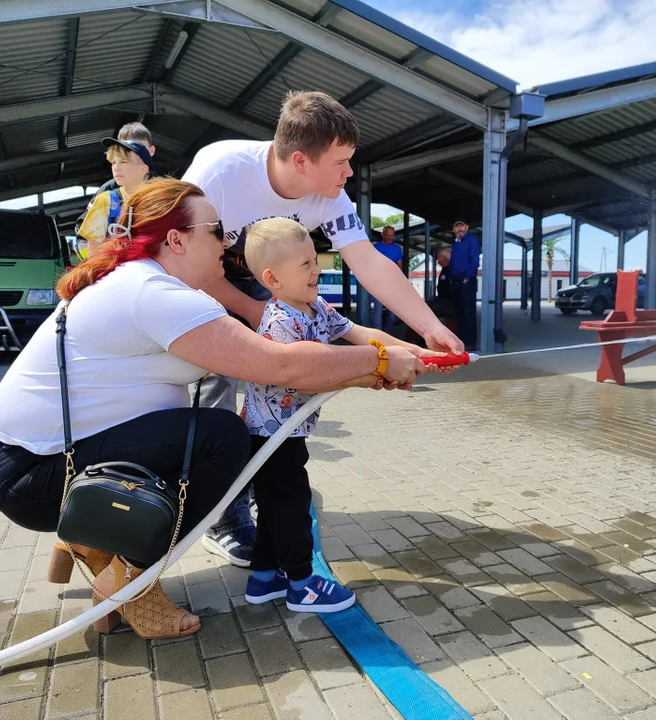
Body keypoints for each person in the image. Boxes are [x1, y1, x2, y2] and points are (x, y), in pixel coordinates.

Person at [0, 179, 425, 641]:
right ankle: (129, 578)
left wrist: (378, 365)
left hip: (41, 460)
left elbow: (274, 358)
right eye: (216, 230)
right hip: (31, 471)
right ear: (177, 239)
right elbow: (278, 364)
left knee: (210, 432)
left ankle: (96, 535)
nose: (227, 243)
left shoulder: (147, 284)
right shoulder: (152, 292)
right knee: (222, 437)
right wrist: (377, 361)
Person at [181, 90, 462, 566]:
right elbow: (190, 267)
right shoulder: (219, 174)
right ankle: (220, 516)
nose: (349, 173)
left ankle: (257, 507)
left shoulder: (330, 194)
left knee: (279, 387)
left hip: (267, 283)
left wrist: (428, 330)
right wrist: (256, 319)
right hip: (199, 279)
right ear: (300, 160)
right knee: (216, 392)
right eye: (341, 162)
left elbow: (369, 263)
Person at [239, 218, 432, 612]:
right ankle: (302, 584)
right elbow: (307, 380)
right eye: (306, 264)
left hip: (289, 432)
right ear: (272, 278)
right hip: (271, 436)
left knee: (277, 503)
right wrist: (371, 373)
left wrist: (417, 353)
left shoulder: (316, 307)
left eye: (315, 259)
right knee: (292, 506)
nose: (318, 269)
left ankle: (264, 578)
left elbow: (361, 335)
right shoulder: (280, 321)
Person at [74, 122, 156, 258]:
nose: (117, 167)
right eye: (114, 162)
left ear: (150, 151)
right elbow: (88, 241)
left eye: (124, 161)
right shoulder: (108, 195)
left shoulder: (162, 192)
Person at [448, 219, 480, 351]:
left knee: (468, 312)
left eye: (462, 225)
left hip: (466, 281)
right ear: (453, 229)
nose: (459, 228)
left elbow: (474, 261)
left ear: (466, 227)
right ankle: (461, 342)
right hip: (455, 281)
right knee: (457, 313)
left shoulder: (472, 241)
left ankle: (471, 342)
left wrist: (467, 277)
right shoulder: (455, 243)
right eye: (457, 226)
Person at [372, 225, 403, 334]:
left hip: (392, 285)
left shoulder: (398, 249)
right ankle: (378, 334)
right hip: (379, 284)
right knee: (378, 311)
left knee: (392, 313)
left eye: (392, 236)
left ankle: (388, 334)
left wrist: (401, 282)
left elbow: (400, 267)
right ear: (383, 235)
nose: (390, 238)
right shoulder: (375, 247)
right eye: (388, 235)